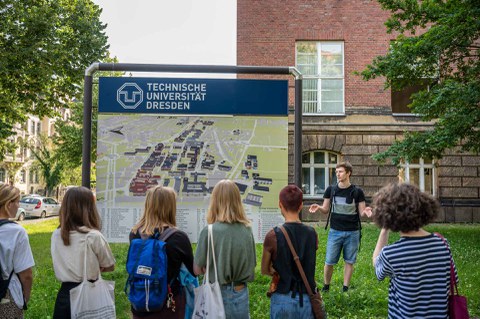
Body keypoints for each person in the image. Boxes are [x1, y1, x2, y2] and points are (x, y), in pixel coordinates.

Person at [372, 182, 456, 319]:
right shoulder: (442, 244)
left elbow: (377, 266)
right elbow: (452, 280)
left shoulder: (391, 254)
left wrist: (384, 230)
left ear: (386, 215)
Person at [129, 186, 195, 319]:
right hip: (168, 304)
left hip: (140, 299)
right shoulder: (178, 237)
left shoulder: (135, 233)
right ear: (171, 207)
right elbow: (193, 270)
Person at [194, 179, 256, 319]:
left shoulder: (208, 231)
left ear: (215, 201)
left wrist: (210, 268)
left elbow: (197, 270)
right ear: (237, 201)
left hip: (215, 295)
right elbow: (252, 263)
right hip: (240, 292)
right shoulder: (247, 230)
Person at [51, 186, 115, 318]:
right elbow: (109, 265)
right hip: (90, 294)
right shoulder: (93, 236)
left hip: (65, 295)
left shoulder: (56, 234)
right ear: (89, 208)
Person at [308, 161, 372, 292]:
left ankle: (345, 288)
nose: (338, 174)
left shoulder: (357, 191)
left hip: (352, 232)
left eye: (341, 171)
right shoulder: (331, 190)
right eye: (336, 172)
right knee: (329, 261)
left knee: (349, 261)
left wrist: (366, 212)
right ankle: (326, 286)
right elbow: (326, 209)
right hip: (335, 231)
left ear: (349, 173)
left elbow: (361, 212)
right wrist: (319, 207)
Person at [262, 185, 318, 318]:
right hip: (306, 298)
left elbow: (264, 270)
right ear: (301, 206)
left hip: (282, 297)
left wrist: (275, 272)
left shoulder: (273, 235)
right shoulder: (312, 234)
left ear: (280, 205)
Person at [0, 183, 34, 318]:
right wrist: (25, 297)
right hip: (7, 296)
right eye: (18, 201)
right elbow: (26, 274)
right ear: (9, 204)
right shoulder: (16, 232)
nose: (19, 206)